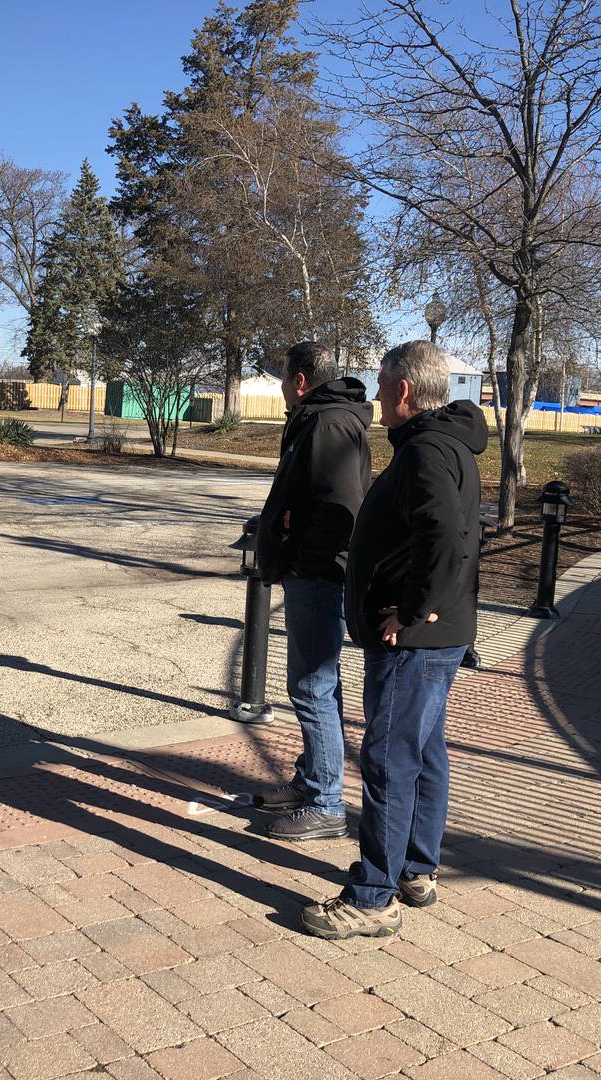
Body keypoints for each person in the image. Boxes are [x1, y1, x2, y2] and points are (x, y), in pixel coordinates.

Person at [301, 339, 487, 938]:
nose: (376, 399)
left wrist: (411, 612)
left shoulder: (426, 452)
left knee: (387, 759)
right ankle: (416, 869)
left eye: (381, 387)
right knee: (424, 751)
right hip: (437, 634)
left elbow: (445, 537)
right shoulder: (446, 443)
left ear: (404, 391)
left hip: (414, 641)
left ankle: (374, 896)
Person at [251, 341, 373, 841]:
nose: (281, 385)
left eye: (284, 376)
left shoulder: (327, 423)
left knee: (311, 687)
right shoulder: (321, 419)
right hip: (314, 571)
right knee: (318, 684)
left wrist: (300, 555)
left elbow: (341, 509)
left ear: (301, 380)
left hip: (320, 575)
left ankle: (325, 803)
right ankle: (312, 780)